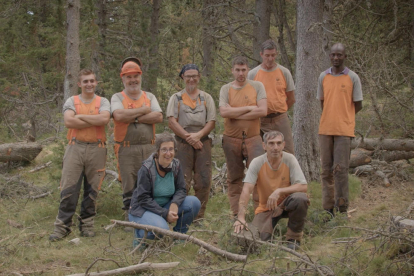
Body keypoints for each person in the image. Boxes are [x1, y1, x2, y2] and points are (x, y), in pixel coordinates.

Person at [49, 69, 110, 241]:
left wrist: (80, 117)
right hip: (75, 147)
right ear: (79, 84)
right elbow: (69, 121)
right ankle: (62, 227)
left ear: (96, 82)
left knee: (92, 189)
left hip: (97, 148)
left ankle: (87, 225)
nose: (89, 84)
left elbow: (104, 120)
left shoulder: (102, 101)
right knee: (69, 187)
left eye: (92, 81)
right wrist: (93, 118)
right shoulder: (72, 100)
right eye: (85, 81)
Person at [233, 131, 309, 250]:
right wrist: (241, 217)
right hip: (266, 207)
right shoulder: (257, 162)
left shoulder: (290, 159)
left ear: (284, 145)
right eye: (271, 144)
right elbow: (246, 190)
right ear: (264, 146)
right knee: (257, 242)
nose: (275, 148)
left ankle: (293, 238)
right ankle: (268, 231)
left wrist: (279, 191)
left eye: (279, 143)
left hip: (287, 203)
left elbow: (303, 186)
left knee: (300, 198)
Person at [111, 57, 163, 225]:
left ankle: (149, 213)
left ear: (140, 76)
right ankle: (130, 215)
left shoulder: (150, 96)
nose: (133, 80)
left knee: (149, 179)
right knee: (129, 181)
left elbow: (158, 116)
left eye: (136, 76)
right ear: (123, 78)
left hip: (149, 147)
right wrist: (143, 111)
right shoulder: (117, 97)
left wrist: (132, 117)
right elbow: (118, 115)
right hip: (126, 148)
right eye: (129, 77)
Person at [128, 133, 201, 245]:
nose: (168, 153)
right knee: (162, 229)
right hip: (143, 209)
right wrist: (165, 213)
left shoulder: (176, 165)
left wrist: (175, 204)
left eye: (171, 149)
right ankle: (140, 238)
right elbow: (143, 198)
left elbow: (181, 189)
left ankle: (179, 237)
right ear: (158, 151)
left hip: (164, 207)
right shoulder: (146, 169)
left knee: (194, 202)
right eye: (164, 150)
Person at [317, 43, 363, 216]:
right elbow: (322, 101)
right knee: (326, 170)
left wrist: (345, 116)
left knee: (341, 170)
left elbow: (358, 104)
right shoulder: (323, 76)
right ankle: (327, 209)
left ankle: (342, 208)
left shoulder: (352, 77)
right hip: (325, 129)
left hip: (344, 130)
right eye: (333, 55)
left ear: (345, 56)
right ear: (330, 56)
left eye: (339, 55)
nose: (336, 58)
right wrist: (331, 115)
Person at [219, 56, 267, 217]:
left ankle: (259, 212)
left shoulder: (257, 86)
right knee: (234, 177)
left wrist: (235, 113)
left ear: (248, 70)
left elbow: (262, 111)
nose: (241, 73)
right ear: (232, 70)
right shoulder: (226, 89)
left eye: (244, 70)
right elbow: (224, 112)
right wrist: (248, 108)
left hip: (254, 138)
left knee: (258, 174)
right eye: (237, 70)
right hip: (231, 139)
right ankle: (236, 214)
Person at [166, 64, 216, 220]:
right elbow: (172, 122)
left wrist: (198, 136)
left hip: (203, 142)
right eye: (188, 76)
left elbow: (212, 121)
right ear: (183, 77)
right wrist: (189, 138)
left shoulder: (206, 98)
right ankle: (181, 213)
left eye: (195, 75)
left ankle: (198, 216)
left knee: (204, 180)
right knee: (182, 179)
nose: (191, 79)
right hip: (182, 143)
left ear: (199, 77)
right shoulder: (176, 98)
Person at [248, 39, 296, 154]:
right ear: (261, 55)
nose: (270, 59)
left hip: (280, 118)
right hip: (260, 120)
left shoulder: (284, 72)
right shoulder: (253, 74)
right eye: (267, 55)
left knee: (288, 152)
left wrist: (279, 110)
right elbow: (248, 99)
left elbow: (291, 98)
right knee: (259, 152)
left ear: (276, 54)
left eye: (273, 55)